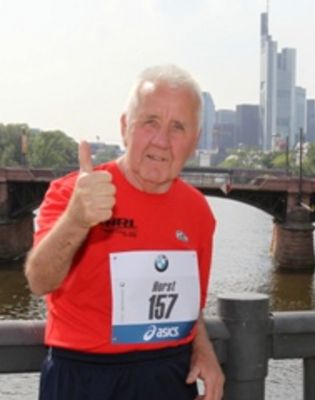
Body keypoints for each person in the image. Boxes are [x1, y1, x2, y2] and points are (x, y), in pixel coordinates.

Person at [24, 64, 224, 400]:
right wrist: (76, 220)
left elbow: (187, 302)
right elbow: (38, 281)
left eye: (178, 127)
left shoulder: (198, 212)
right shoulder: (75, 193)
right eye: (150, 122)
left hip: (170, 378)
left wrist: (201, 347)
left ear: (195, 140)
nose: (161, 140)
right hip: (83, 377)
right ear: (124, 127)